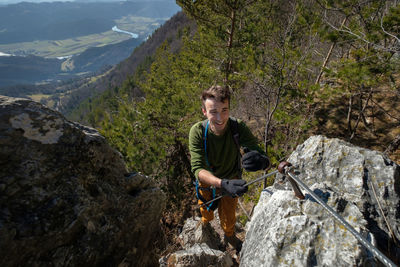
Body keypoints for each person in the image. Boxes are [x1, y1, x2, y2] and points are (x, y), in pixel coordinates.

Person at [188, 85, 270, 251]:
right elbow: (197, 169)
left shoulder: (237, 127)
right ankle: (206, 224)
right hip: (208, 181)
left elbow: (260, 155)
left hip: (232, 178)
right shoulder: (197, 132)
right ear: (204, 112)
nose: (220, 117)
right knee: (206, 209)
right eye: (213, 111)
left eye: (224, 110)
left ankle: (229, 235)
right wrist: (221, 183)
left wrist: (261, 161)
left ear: (229, 108)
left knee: (229, 215)